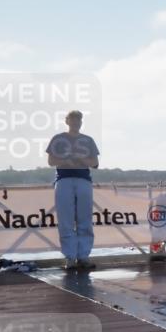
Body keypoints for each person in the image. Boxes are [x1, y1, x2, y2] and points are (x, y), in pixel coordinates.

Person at [46, 110, 100, 271]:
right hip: (63, 179)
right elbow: (51, 161)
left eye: (79, 120)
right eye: (73, 120)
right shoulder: (58, 139)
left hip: (83, 179)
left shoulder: (88, 140)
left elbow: (95, 163)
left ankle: (83, 256)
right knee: (66, 220)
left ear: (81, 122)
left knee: (85, 219)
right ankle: (70, 257)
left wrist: (80, 159)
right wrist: (68, 160)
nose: (76, 122)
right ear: (67, 121)